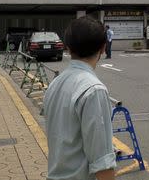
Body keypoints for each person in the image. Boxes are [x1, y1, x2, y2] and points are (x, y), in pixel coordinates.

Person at [44, 15, 116, 180]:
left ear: (68, 48)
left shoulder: (56, 83)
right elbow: (102, 162)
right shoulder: (93, 90)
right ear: (103, 48)